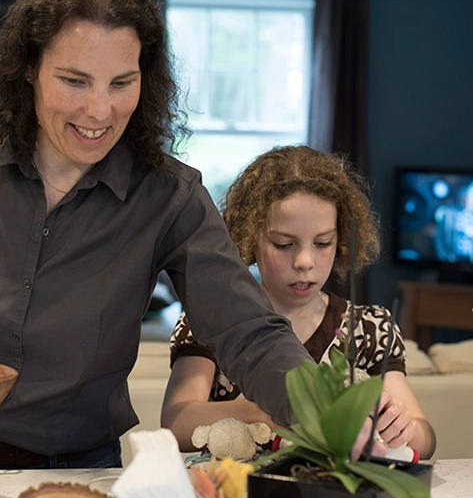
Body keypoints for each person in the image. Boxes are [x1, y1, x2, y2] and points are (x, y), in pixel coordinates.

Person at [0, 0, 315, 472]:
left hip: (71, 471)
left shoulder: (170, 197)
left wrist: (329, 412)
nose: (99, 110)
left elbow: (246, 328)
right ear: (29, 68)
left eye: (122, 83)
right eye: (74, 80)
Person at [161, 145, 437, 460]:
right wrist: (274, 409)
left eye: (322, 243)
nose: (304, 261)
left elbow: (425, 439)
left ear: (342, 241)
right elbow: (175, 423)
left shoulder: (370, 328)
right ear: (250, 237)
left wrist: (404, 429)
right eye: (283, 244)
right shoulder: (212, 321)